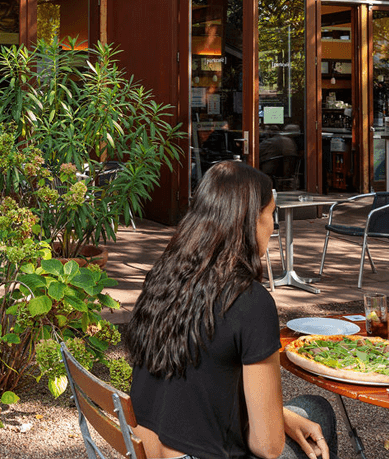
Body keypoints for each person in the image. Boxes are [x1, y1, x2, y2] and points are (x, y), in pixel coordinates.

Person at [125, 160, 338, 459]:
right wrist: (275, 422)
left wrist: (282, 418)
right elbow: (266, 446)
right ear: (250, 221)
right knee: (319, 410)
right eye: (271, 213)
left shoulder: (164, 277)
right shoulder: (251, 302)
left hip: (145, 448)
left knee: (301, 414)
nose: (274, 225)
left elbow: (199, 383)